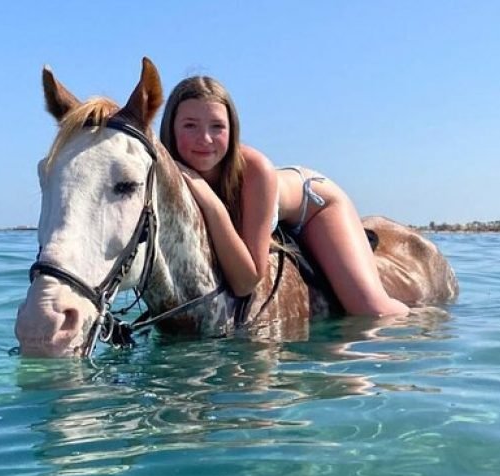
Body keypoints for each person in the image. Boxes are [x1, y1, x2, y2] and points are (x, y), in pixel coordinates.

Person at [158, 75, 409, 317]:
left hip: (314, 208)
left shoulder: (255, 170)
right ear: (171, 128)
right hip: (268, 204)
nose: (204, 138)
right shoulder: (163, 174)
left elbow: (246, 282)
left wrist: (210, 201)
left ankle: (424, 318)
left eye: (217, 126)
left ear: (232, 130)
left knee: (370, 309)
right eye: (190, 125)